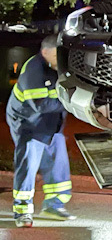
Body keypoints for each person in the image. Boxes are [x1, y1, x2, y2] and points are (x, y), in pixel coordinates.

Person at [5, 35, 76, 227]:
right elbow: (40, 105)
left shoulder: (57, 65)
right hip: (28, 124)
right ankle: (22, 211)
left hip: (51, 123)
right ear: (45, 52)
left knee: (57, 163)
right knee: (28, 164)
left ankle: (54, 206)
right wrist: (70, 101)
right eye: (56, 55)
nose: (59, 60)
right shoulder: (34, 70)